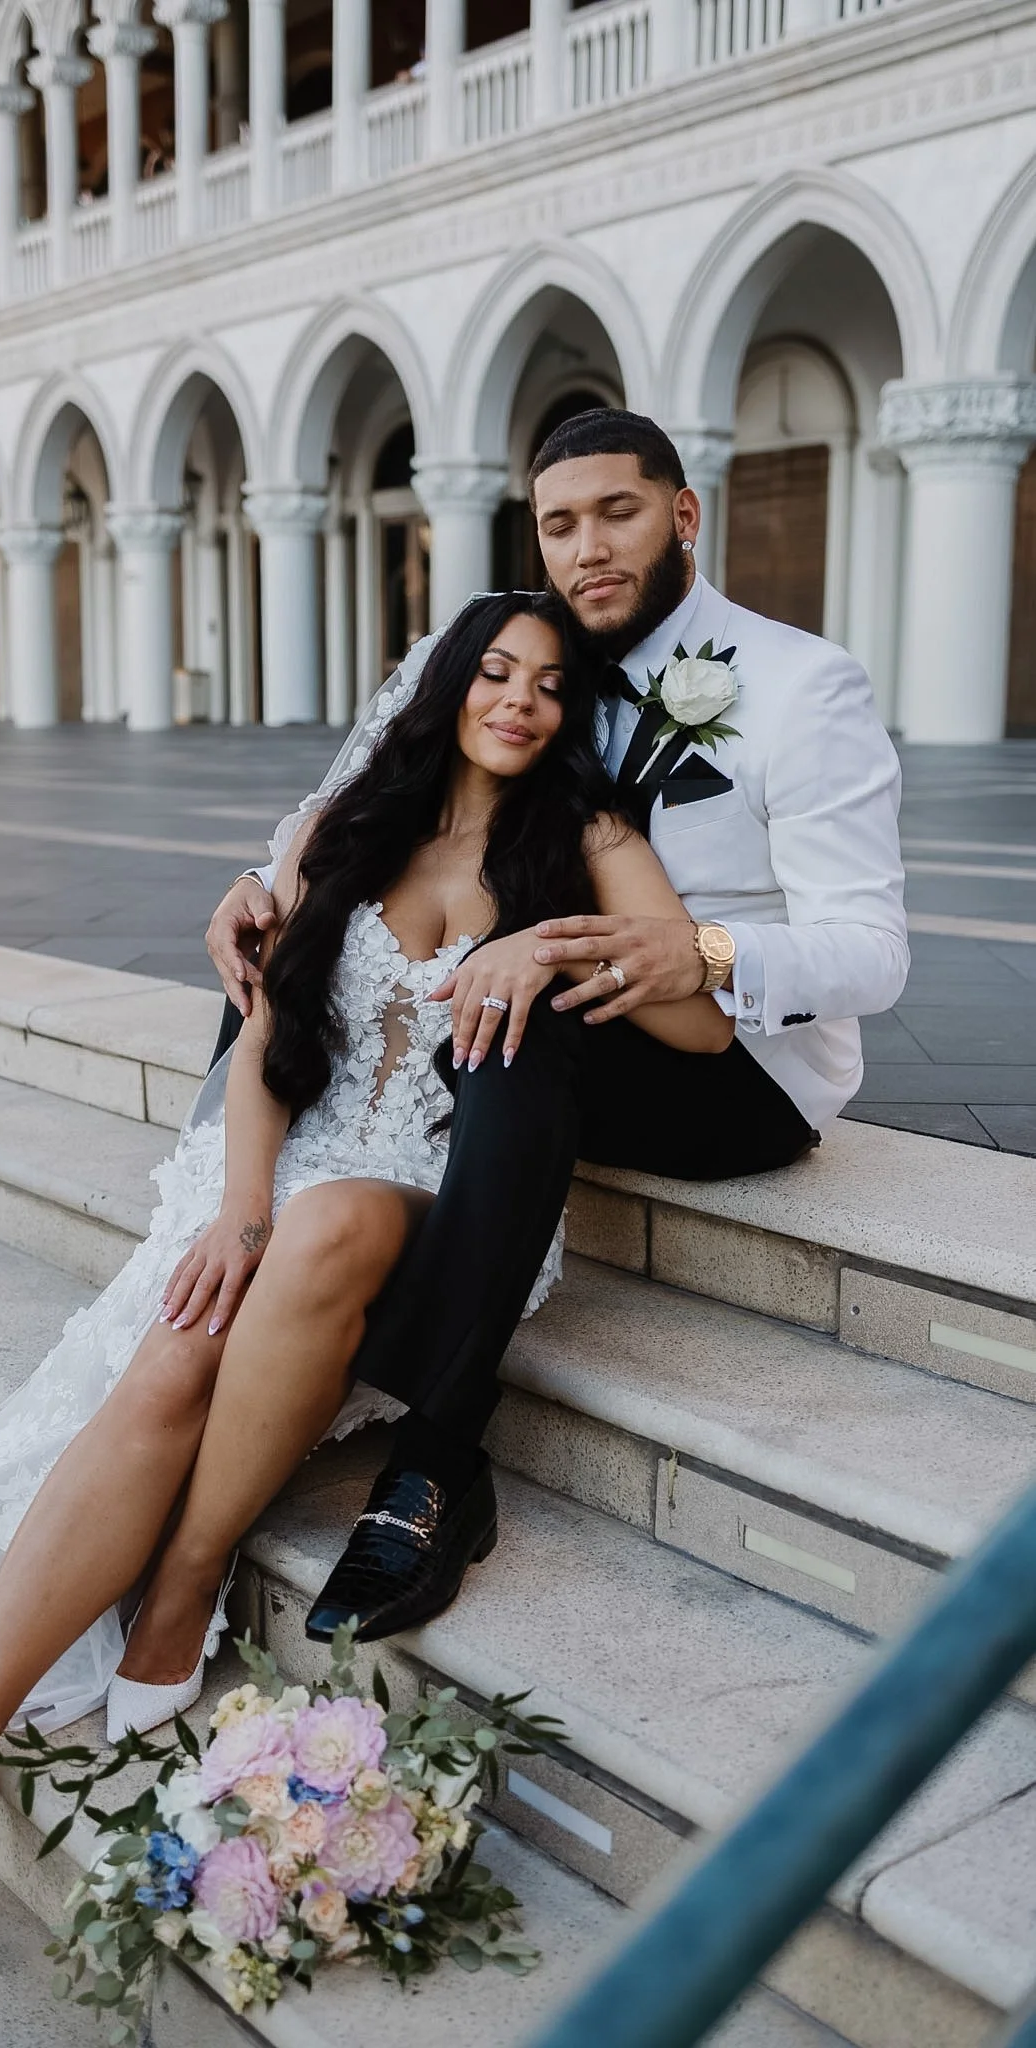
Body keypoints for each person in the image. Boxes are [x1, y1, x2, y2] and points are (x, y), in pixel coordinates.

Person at [0, 590, 733, 1906]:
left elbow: (700, 1031)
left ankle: (180, 1585)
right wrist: (239, 1211)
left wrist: (562, 945)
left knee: (333, 1220)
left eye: (550, 685)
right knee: (174, 1361)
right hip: (266, 1172)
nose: (518, 700)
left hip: (424, 1197)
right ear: (451, 685)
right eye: (495, 672)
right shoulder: (334, 833)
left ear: (572, 715)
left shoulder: (583, 838)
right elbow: (266, 1051)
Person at [205, 408, 910, 1648]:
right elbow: (369, 797)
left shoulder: (804, 685)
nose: (589, 547)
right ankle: (254, 1232)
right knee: (310, 957)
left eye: (619, 513)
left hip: (733, 1061)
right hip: (530, 990)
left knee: (517, 1028)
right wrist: (258, 886)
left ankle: (436, 1458)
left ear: (684, 515)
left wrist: (700, 950)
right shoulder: (534, 663)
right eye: (560, 523)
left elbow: (875, 953)